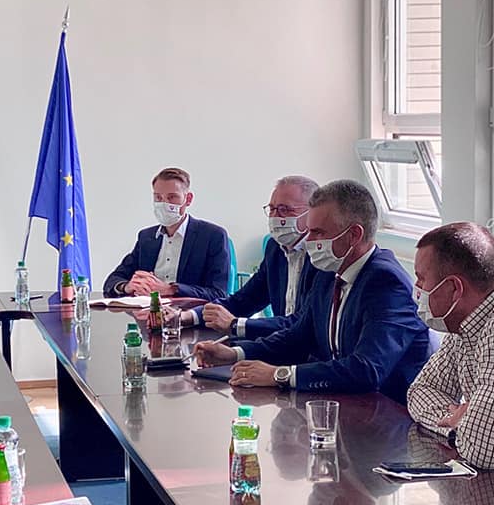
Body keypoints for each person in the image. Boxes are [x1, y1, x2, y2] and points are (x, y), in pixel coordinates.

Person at [195, 179, 431, 404]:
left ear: (354, 235)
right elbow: (298, 337)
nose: (308, 240)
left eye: (318, 232)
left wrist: (278, 375)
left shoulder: (386, 282)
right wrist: (234, 353)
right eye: (309, 230)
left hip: (387, 413)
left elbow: (366, 369)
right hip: (341, 400)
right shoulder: (329, 271)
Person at [183, 175, 320, 340]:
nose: (275, 217)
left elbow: (304, 324)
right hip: (280, 344)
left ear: (311, 213)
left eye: (284, 210)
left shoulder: (322, 257)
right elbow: (245, 300)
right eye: (272, 209)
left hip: (309, 351)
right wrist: (188, 316)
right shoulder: (275, 248)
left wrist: (236, 325)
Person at [407, 222, 494, 469]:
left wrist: (465, 428)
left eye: (421, 279)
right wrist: (454, 420)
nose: (416, 289)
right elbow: (420, 391)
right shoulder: (462, 326)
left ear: (454, 288)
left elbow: (482, 448)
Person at [103, 167, 230, 300]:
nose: (164, 203)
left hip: (187, 311)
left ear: (188, 199)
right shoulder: (146, 237)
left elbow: (218, 293)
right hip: (147, 309)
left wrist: (171, 289)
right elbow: (113, 280)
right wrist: (127, 286)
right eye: (158, 197)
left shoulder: (212, 236)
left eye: (172, 197)